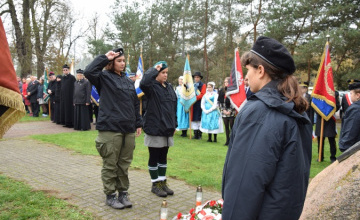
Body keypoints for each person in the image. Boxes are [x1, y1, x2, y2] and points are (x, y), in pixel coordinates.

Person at [222, 36, 312, 220]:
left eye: (248, 70)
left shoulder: (260, 113)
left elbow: (244, 185)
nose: (246, 77)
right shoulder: (294, 108)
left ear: (261, 70)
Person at [84, 48, 142, 210]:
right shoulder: (103, 77)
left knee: (124, 164)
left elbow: (135, 103)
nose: (122, 64)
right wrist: (105, 57)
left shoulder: (128, 81)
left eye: (123, 61)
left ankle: (123, 192)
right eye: (119, 61)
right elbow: (89, 71)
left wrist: (138, 123)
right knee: (110, 163)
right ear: (111, 63)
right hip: (110, 128)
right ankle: (110, 195)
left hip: (128, 128)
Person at [140, 61, 177, 198]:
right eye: (163, 72)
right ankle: (155, 184)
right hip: (155, 127)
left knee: (163, 157)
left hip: (167, 128)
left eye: (167, 72)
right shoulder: (151, 87)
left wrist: (175, 123)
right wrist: (153, 70)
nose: (165, 75)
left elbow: (173, 107)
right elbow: (143, 83)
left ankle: (162, 182)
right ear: (157, 74)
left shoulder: (169, 87)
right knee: (154, 157)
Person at [315, 90, 340, 162]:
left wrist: (329, 111)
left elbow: (337, 105)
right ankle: (320, 156)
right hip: (321, 119)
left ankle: (333, 157)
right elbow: (314, 105)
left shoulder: (334, 93)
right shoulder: (318, 92)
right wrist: (321, 113)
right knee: (320, 140)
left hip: (330, 119)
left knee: (331, 140)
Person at [339, 81, 360, 152]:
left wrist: (344, 146)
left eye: (351, 93)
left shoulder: (355, 109)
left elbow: (351, 130)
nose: (350, 95)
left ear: (357, 95)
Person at [218, 77, 236, 145]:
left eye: (227, 82)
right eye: (225, 82)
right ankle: (227, 141)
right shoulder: (222, 91)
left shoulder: (233, 91)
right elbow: (219, 101)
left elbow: (234, 102)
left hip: (231, 111)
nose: (226, 83)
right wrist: (223, 110)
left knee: (232, 126)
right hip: (224, 111)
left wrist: (230, 111)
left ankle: (232, 141)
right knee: (226, 127)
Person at [191, 71, 206, 139]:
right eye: (195, 77)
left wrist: (195, 98)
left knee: (199, 119)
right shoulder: (192, 85)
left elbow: (202, 94)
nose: (196, 78)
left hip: (199, 103)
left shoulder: (203, 85)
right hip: (193, 104)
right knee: (194, 119)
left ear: (200, 78)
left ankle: (199, 134)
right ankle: (195, 134)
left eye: (197, 77)